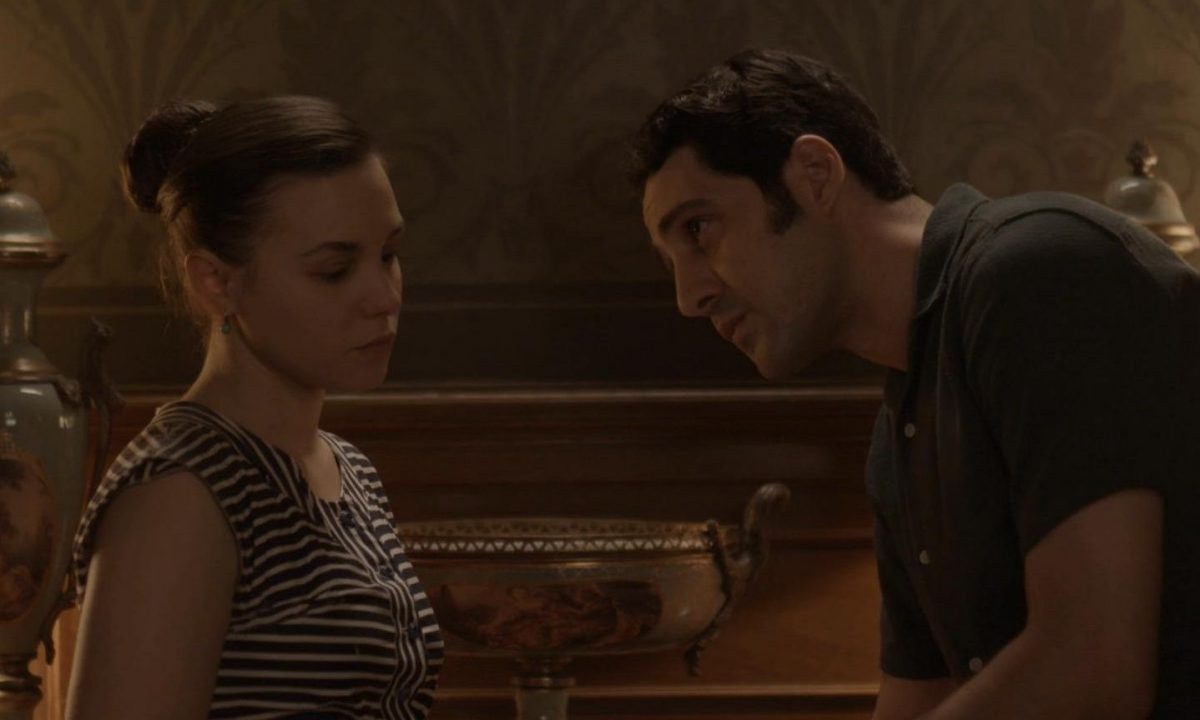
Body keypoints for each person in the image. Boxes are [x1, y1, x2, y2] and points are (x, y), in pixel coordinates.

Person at [631, 49, 1199, 719]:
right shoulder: (901, 432)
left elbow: (1092, 667)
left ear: (815, 175)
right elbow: (919, 698)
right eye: (670, 262)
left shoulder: (1039, 269)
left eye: (699, 229)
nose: (688, 297)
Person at [68, 96, 442, 719]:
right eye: (334, 270)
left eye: (388, 255)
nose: (384, 297)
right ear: (217, 282)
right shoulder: (179, 491)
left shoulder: (350, 469)